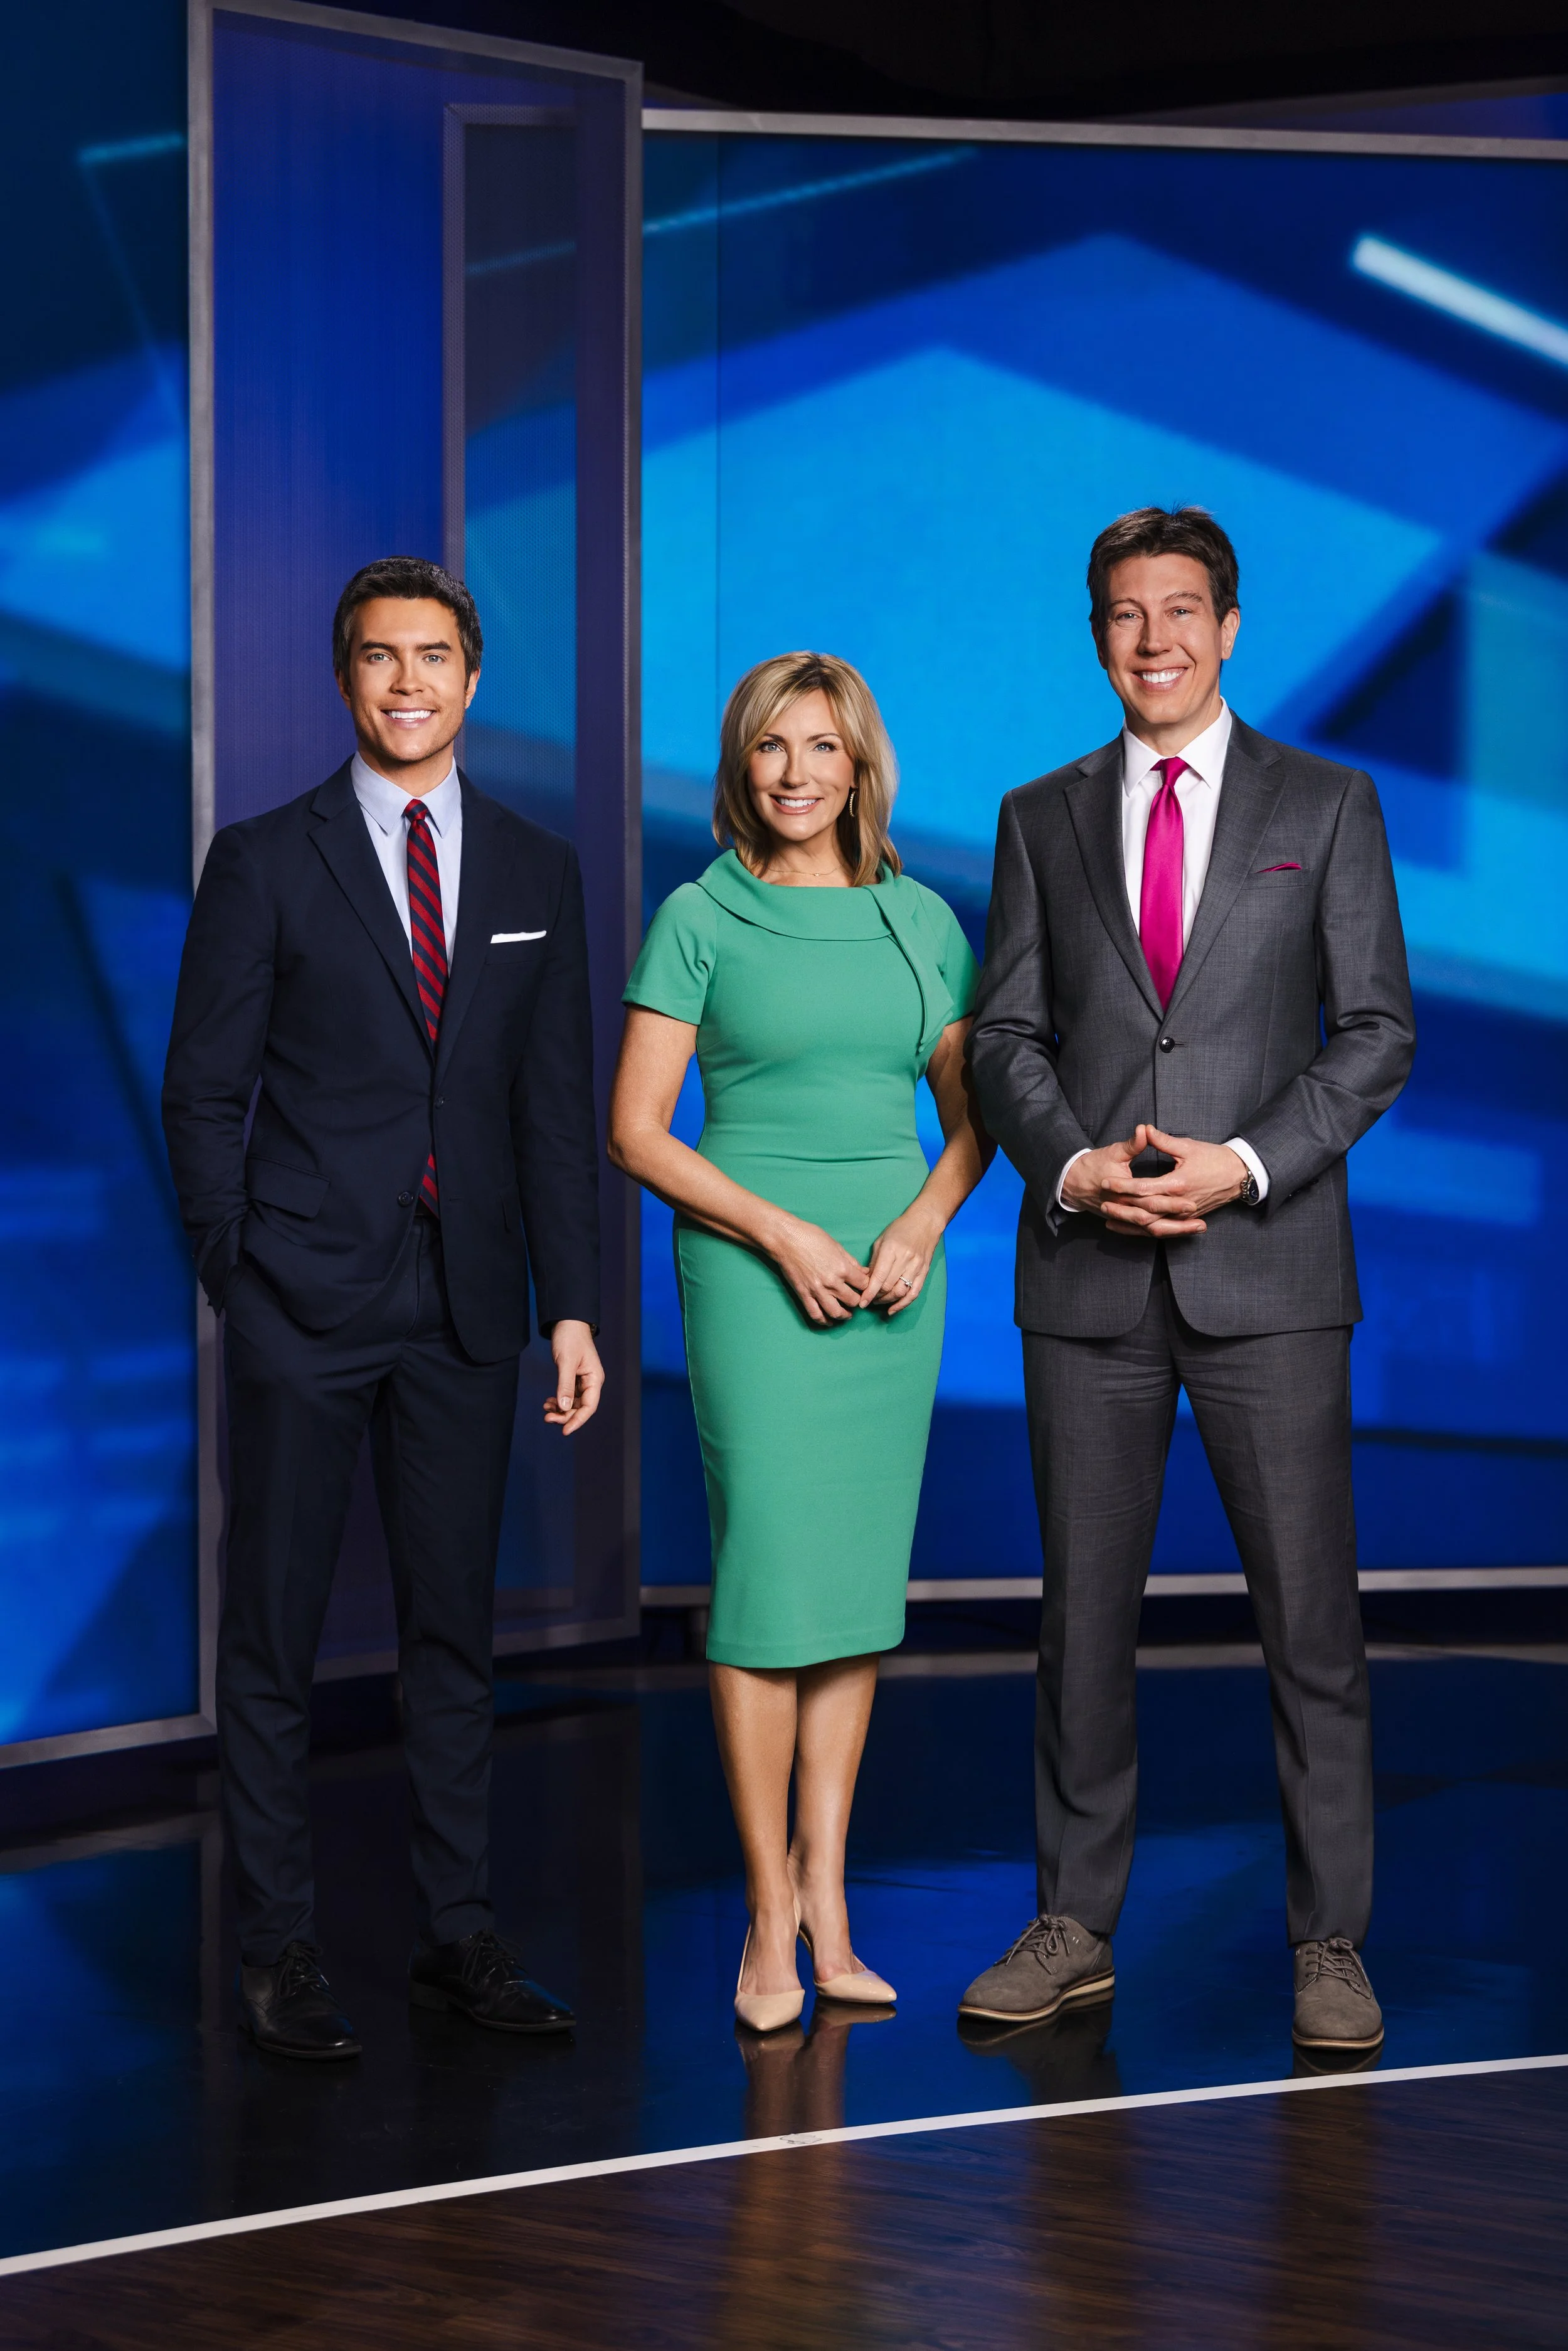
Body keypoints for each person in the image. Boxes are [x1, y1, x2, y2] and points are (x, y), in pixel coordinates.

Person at [963, 507, 1414, 2056]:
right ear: (1094, 635)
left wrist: (1241, 1161)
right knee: (1079, 1622)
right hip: (1084, 1279)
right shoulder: (1037, 814)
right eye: (1121, 615)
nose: (1150, 641)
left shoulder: (1327, 802)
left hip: (1269, 1272)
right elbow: (1005, 1037)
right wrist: (1073, 1165)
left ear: (1228, 627)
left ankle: (1329, 1938)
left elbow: (1373, 1033)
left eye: (1179, 613)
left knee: (1311, 1625)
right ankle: (1073, 1921)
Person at [162, 557, 603, 2059]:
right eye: (377, 657)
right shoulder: (265, 860)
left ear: (473, 678)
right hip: (300, 1295)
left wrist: (573, 1306)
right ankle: (279, 1945)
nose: (406, 682)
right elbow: (204, 1086)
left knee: (452, 1634)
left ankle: (455, 1935)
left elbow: (553, 1112)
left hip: (469, 1301)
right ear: (342, 680)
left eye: (432, 656)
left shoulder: (541, 872)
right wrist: (237, 1270)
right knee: (273, 1638)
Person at [610, 652, 991, 2031]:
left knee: (847, 1596)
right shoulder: (697, 915)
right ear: (742, 762)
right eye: (771, 747)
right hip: (754, 1270)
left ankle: (831, 1894)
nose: (794, 774)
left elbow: (973, 1116)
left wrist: (919, 1228)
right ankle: (764, 1908)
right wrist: (783, 1235)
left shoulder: (920, 921)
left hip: (891, 1283)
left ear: (857, 766)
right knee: (767, 1579)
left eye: (820, 748)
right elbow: (638, 1129)